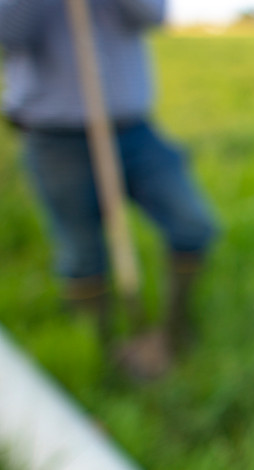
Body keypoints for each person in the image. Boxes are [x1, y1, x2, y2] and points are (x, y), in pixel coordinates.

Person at [0, 0, 217, 379]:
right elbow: (8, 33)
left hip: (133, 128)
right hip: (55, 135)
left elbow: (152, 15)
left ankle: (174, 331)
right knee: (82, 251)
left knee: (192, 223)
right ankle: (99, 350)